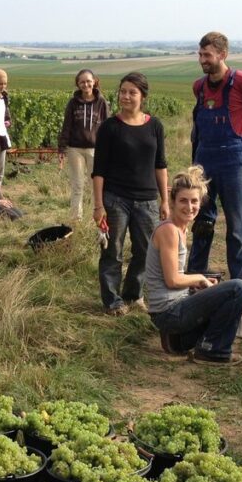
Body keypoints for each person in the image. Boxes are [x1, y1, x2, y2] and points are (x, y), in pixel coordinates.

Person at [145, 168, 242, 364]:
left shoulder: (180, 229)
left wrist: (196, 285)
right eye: (183, 200)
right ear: (173, 201)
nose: (189, 206)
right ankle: (212, 351)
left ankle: (178, 341)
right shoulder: (168, 230)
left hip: (174, 307)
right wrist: (199, 279)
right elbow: (172, 279)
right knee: (238, 288)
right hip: (168, 312)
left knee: (222, 292)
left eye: (194, 201)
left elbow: (174, 277)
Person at [185, 32, 242, 287]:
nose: (202, 59)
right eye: (200, 54)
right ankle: (195, 277)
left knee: (237, 225)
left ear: (222, 54)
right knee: (202, 221)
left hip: (233, 160)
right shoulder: (199, 86)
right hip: (204, 159)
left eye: (207, 55)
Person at [91, 72, 168, 316]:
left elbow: (160, 164)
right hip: (115, 199)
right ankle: (112, 300)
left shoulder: (155, 125)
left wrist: (165, 200)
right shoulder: (109, 127)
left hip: (147, 200)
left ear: (142, 96)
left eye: (132, 92)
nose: (126, 96)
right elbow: (99, 170)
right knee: (112, 250)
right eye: (123, 91)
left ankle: (133, 294)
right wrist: (98, 205)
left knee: (145, 250)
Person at [58, 69, 108, 220]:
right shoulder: (73, 103)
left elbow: (107, 127)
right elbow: (66, 126)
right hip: (75, 149)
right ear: (78, 84)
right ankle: (76, 220)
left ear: (94, 82)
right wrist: (62, 148)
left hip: (96, 150)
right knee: (77, 186)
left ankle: (98, 219)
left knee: (97, 187)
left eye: (88, 81)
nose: (85, 84)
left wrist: (108, 149)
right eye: (82, 82)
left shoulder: (101, 103)